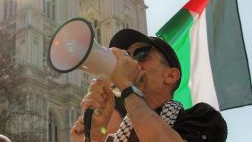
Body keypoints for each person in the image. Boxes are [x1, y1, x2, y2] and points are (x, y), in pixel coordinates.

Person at [70, 29, 227, 142]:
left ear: (170, 75)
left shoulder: (203, 118)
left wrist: (126, 85)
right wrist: (95, 136)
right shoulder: (114, 138)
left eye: (141, 55)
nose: (129, 62)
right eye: (126, 55)